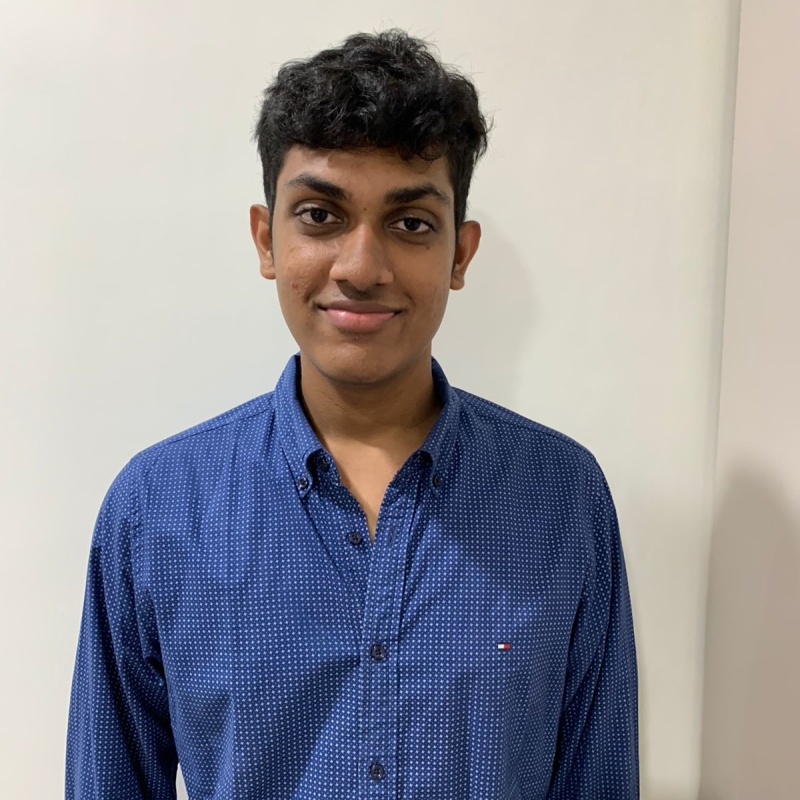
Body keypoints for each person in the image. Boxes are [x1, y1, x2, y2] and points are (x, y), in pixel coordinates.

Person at [66, 29, 638, 799]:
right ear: (266, 239)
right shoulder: (155, 508)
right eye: (320, 215)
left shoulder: (561, 498)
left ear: (460, 254)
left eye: (410, 224)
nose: (362, 267)